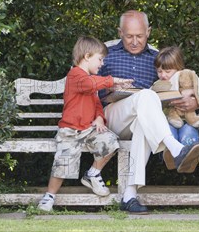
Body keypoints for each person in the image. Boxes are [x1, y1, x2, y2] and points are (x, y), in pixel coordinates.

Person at [98, 10, 199, 214]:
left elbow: (185, 83)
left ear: (148, 31)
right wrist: (108, 90)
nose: (135, 41)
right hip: (112, 117)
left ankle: (129, 196)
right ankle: (176, 149)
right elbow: (88, 87)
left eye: (140, 35)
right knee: (147, 96)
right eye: (129, 36)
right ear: (120, 32)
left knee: (144, 120)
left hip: (143, 119)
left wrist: (193, 103)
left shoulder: (158, 59)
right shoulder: (106, 55)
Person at [37, 36, 133, 212]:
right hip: (70, 131)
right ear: (87, 56)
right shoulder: (76, 75)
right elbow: (89, 85)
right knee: (63, 164)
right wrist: (113, 80)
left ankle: (93, 173)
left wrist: (99, 117)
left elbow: (96, 103)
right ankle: (49, 195)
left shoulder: (91, 80)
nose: (102, 63)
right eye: (100, 59)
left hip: (89, 129)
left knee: (111, 142)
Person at [154, 46, 199, 170]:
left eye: (167, 72)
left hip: (187, 121)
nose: (163, 75)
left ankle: (189, 159)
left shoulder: (187, 81)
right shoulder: (158, 85)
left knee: (189, 131)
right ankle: (170, 156)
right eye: (159, 71)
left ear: (179, 69)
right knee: (168, 131)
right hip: (169, 121)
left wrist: (193, 94)